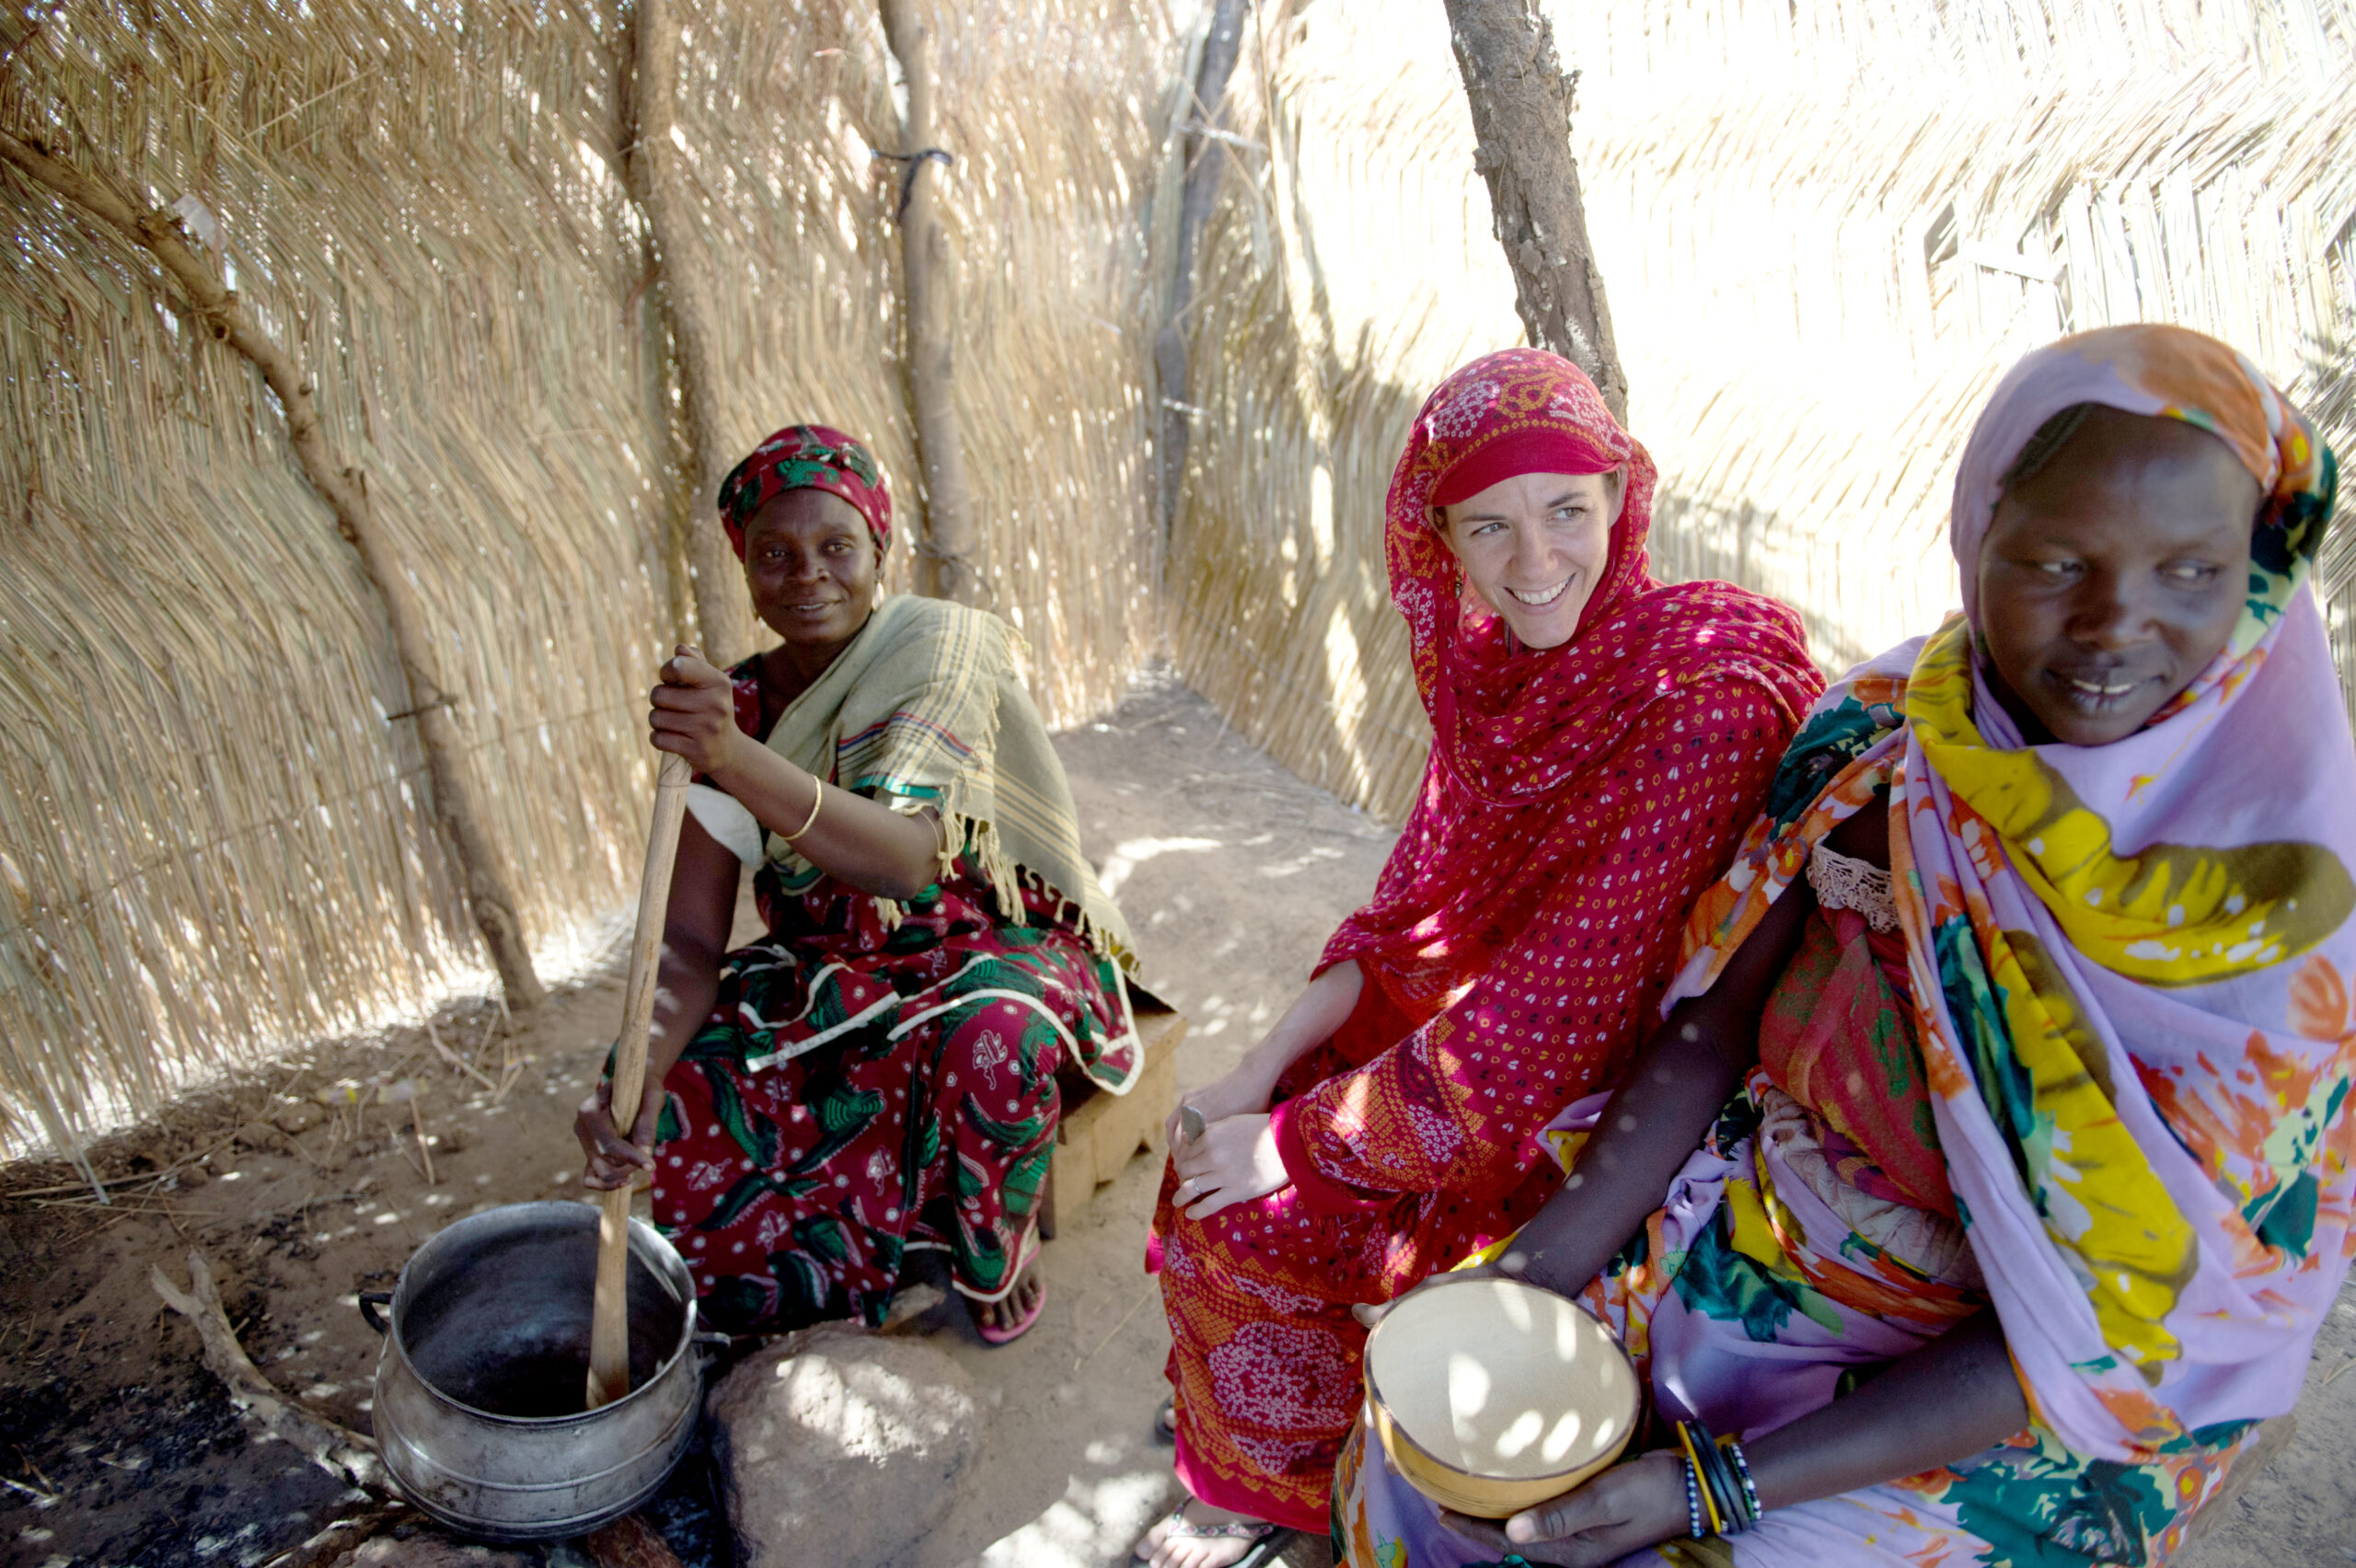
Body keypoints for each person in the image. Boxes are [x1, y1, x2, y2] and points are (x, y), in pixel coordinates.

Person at [1334, 323, 2356, 1566]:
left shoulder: (2276, 935)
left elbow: (2111, 1343)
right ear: (1976, 539)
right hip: (1769, 1225)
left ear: (2257, 573)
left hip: (2014, 1396)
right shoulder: (1880, 747)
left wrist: (1706, 1490)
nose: (2111, 622)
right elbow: (1712, 1031)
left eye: (2189, 572)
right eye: (2053, 561)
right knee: (1426, 1466)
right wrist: (1533, 1273)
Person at [1136, 351, 1825, 1567]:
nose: (1536, 560)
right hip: (1472, 1048)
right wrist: (1256, 1076)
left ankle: (1334, 1504)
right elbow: (1412, 912)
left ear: (1622, 497)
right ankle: (1321, 1490)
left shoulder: (1699, 694)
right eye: (1488, 526)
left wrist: (1296, 1144)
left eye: (1568, 508)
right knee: (1203, 1176)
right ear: (1439, 540)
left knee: (1245, 1228)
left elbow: (1557, 1023)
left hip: (1628, 1104)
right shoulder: (1491, 671)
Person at [576, 423, 1141, 1343]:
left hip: (986, 946)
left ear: (880, 551)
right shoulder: (733, 705)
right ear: (747, 574)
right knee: (686, 1086)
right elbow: (684, 942)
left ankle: (989, 1245)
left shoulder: (934, 651)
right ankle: (814, 1271)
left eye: (836, 546)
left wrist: (731, 756)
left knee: (992, 1044)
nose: (808, 575)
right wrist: (628, 1073)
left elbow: (907, 860)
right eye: (776, 555)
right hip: (831, 967)